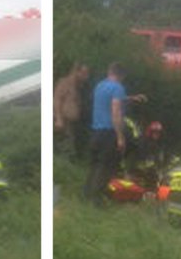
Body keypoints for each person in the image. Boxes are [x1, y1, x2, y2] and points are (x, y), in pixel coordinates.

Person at [83, 63, 145, 206]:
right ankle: (97, 199)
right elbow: (116, 111)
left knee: (94, 165)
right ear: (122, 75)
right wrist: (120, 137)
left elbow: (109, 99)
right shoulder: (118, 87)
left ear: (110, 72)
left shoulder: (100, 85)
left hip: (96, 131)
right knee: (107, 166)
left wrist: (130, 98)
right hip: (109, 132)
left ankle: (86, 194)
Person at [54, 62, 91, 159]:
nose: (86, 76)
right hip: (64, 121)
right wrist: (59, 119)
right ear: (76, 72)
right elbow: (57, 100)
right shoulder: (64, 83)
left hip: (73, 123)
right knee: (66, 147)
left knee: (72, 146)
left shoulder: (80, 86)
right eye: (84, 73)